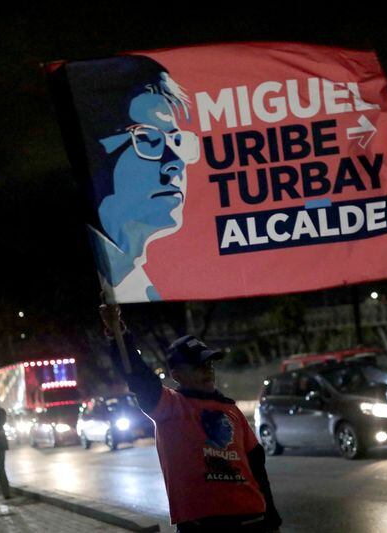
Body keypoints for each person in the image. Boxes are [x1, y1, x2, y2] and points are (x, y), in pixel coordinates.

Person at [100, 304, 282, 533]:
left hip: (252, 521)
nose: (207, 370)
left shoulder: (232, 411)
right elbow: (137, 375)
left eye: (209, 364)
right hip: (201, 526)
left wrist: (272, 521)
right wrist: (118, 333)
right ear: (177, 375)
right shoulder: (168, 405)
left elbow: (257, 467)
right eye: (197, 366)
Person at [84, 55, 200, 302]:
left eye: (178, 141)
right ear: (96, 151)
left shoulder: (141, 288)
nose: (176, 163)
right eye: (147, 138)